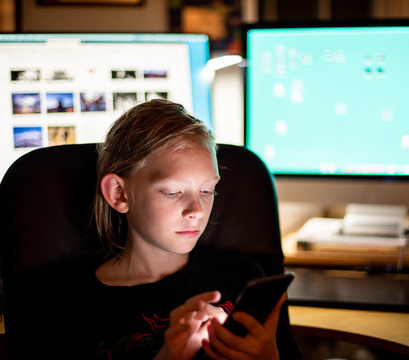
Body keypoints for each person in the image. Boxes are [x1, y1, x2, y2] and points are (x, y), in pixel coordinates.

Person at [87, 99, 301, 359]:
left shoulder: (242, 278)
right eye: (173, 191)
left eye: (207, 190)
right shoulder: (67, 302)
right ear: (119, 193)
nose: (197, 211)